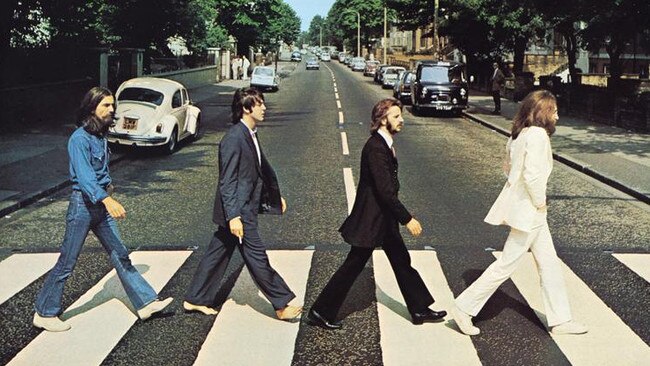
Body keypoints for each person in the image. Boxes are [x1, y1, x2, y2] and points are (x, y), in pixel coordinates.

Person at [33, 87, 173, 332]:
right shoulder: (79, 138)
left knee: (121, 254)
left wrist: (108, 185)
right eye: (106, 105)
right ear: (91, 108)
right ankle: (44, 312)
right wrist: (107, 200)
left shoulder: (99, 136)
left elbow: (98, 172)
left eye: (112, 105)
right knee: (68, 261)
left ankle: (146, 302)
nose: (112, 110)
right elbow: (85, 178)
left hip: (99, 206)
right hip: (83, 206)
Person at [451, 90, 588, 336]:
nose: (557, 116)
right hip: (531, 212)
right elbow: (533, 176)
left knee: (549, 264)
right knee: (506, 264)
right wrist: (540, 202)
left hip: (529, 211)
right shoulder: (537, 136)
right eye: (553, 111)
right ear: (542, 113)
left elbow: (508, 170)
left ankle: (560, 320)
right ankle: (464, 307)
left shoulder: (518, 135)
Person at [306, 98, 447, 330]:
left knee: (402, 261)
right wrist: (407, 218)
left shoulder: (384, 144)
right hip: (372, 220)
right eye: (395, 116)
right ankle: (320, 311)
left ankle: (419, 308)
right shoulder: (375, 148)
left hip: (383, 220)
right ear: (383, 120)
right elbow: (385, 192)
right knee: (353, 265)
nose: (401, 120)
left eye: (400, 115)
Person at [184, 87, 302, 320]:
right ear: (247, 108)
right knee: (257, 257)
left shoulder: (249, 133)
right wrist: (234, 216)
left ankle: (195, 298)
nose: (264, 108)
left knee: (217, 252)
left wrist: (274, 197)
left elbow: (257, 172)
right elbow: (227, 182)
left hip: (244, 206)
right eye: (260, 104)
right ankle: (281, 303)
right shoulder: (234, 138)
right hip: (240, 210)